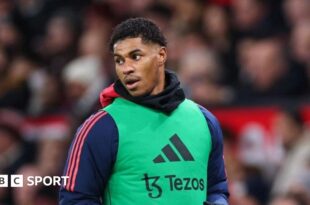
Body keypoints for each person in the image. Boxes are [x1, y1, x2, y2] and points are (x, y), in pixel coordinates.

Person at [59, 17, 229, 205]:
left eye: (136, 56)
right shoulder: (101, 126)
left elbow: (216, 188)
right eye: (119, 60)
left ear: (162, 56)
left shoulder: (204, 120)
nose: (126, 69)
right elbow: (76, 198)